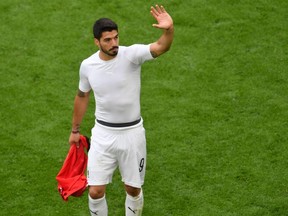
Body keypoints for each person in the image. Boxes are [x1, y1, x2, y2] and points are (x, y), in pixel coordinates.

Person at [68, 4, 174, 216]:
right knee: (96, 191)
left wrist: (168, 30)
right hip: (102, 135)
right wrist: (75, 130)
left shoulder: (131, 55)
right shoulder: (87, 66)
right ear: (96, 41)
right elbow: (82, 95)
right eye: (108, 40)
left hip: (132, 134)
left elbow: (161, 47)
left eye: (116, 37)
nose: (114, 43)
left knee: (133, 189)